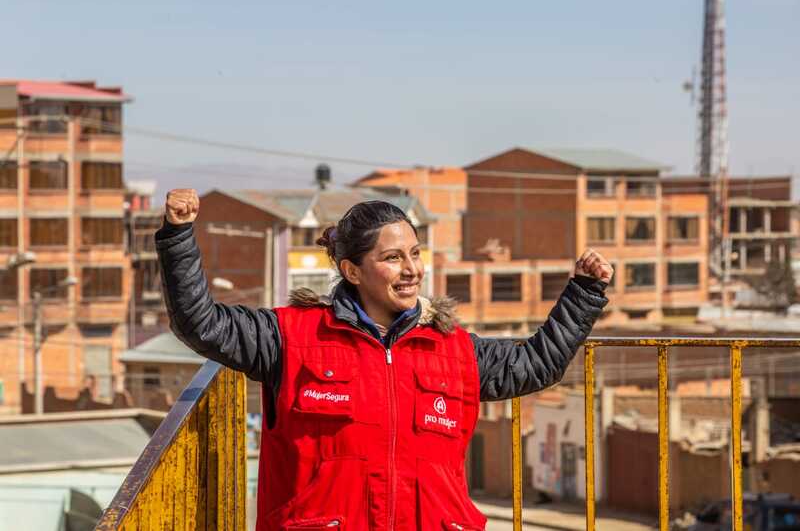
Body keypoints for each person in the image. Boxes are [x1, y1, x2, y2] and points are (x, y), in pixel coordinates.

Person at [157, 188, 612, 531]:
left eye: (415, 254)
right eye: (392, 258)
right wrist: (179, 237)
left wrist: (583, 293)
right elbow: (202, 324)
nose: (412, 269)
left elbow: (537, 364)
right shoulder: (290, 337)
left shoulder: (454, 350)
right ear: (352, 270)